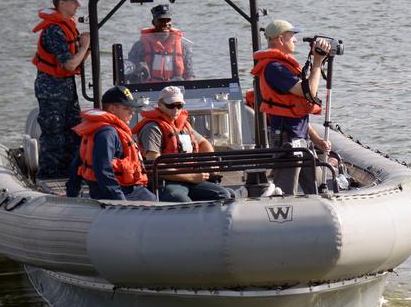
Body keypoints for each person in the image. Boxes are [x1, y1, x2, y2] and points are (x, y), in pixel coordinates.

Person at [250, 19, 333, 195]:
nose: (295, 40)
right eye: (292, 36)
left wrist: (316, 140)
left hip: (300, 139)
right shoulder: (275, 67)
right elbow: (308, 92)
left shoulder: (284, 66)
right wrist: (317, 62)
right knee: (285, 193)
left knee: (314, 190)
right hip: (286, 141)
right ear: (280, 39)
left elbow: (297, 110)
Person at [32, 0, 91, 178]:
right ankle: (48, 177)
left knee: (73, 133)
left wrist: (86, 50)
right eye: (74, 1)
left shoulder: (68, 27)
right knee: (54, 136)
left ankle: (70, 174)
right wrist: (84, 47)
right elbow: (68, 65)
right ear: (62, 3)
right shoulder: (53, 31)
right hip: (51, 90)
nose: (77, 5)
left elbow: (75, 62)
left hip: (66, 89)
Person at [136, 85, 233, 202]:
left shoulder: (184, 125)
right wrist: (191, 177)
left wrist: (210, 164)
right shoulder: (152, 129)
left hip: (191, 179)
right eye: (171, 105)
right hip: (169, 181)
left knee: (223, 195)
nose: (176, 110)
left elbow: (203, 143)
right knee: (179, 199)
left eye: (179, 105)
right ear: (160, 105)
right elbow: (155, 164)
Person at [65, 86, 157, 202]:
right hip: (122, 192)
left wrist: (72, 194)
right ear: (112, 109)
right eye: (127, 108)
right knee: (154, 203)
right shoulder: (107, 133)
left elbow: (77, 164)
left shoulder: (100, 129)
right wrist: (119, 201)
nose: (132, 112)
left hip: (117, 190)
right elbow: (103, 171)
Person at [128, 3, 194, 82]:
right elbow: (131, 72)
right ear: (154, 23)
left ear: (171, 23)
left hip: (176, 90)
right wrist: (138, 67)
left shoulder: (183, 46)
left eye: (168, 20)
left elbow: (189, 74)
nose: (165, 23)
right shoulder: (140, 46)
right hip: (149, 89)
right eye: (161, 20)